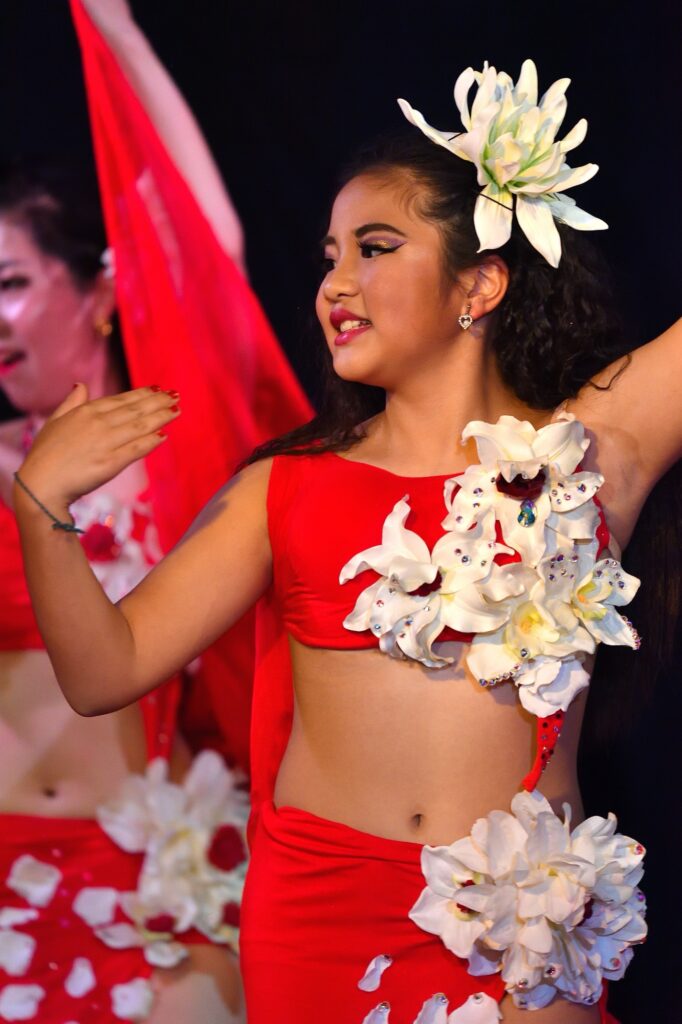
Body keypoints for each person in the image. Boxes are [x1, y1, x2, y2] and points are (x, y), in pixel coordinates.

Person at [13, 58, 681, 1024]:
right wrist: (42, 505)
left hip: (520, 938)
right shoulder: (284, 487)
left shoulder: (589, 452)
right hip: (319, 924)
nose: (336, 282)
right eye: (330, 257)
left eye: (375, 248)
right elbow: (103, 669)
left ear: (480, 281)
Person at [0, 1, 307, 1021]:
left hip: (153, 874)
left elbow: (208, 242)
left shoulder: (173, 456)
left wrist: (115, 25)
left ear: (99, 290)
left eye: (10, 282)